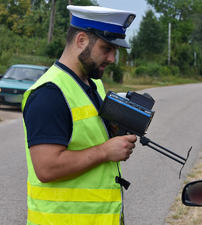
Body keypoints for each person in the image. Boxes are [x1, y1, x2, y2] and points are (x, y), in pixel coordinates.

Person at [22, 5, 137, 225]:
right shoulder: (49, 93)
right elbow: (46, 168)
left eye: (115, 50)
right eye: (106, 48)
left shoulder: (93, 84)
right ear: (81, 40)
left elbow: (87, 134)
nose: (112, 58)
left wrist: (114, 131)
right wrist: (105, 151)